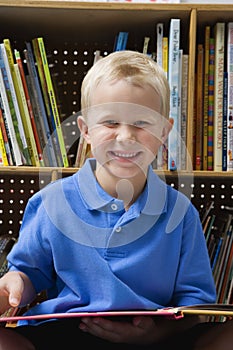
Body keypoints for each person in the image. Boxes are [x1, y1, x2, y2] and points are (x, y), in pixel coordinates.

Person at [0, 50, 232, 350]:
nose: (125, 137)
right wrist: (14, 285)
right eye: (110, 122)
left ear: (164, 132)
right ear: (85, 131)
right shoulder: (51, 202)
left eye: (142, 123)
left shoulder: (180, 211)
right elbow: (28, 275)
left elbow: (194, 307)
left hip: (155, 336)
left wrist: (156, 334)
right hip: (69, 332)